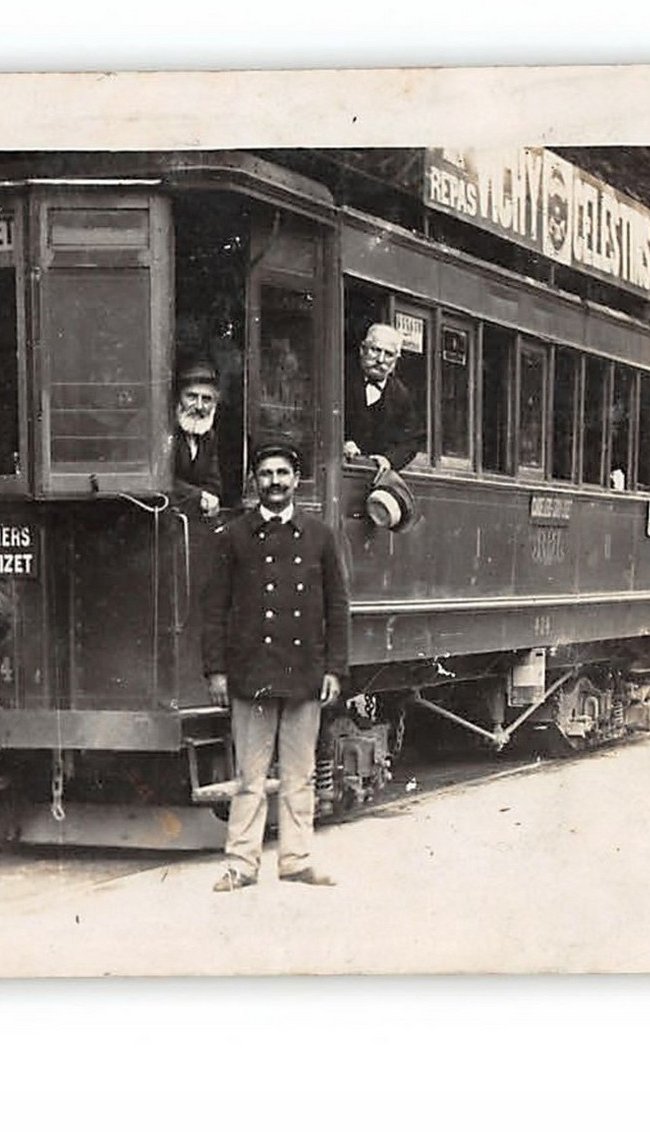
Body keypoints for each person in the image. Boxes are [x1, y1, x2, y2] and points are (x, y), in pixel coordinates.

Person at [202, 439, 348, 890]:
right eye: (266, 474)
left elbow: (337, 608)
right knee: (250, 778)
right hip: (252, 675)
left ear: (296, 480)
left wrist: (334, 669)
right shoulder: (233, 536)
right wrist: (217, 671)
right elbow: (213, 609)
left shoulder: (320, 536)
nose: (275, 482)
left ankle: (297, 860)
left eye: (282, 473)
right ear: (255, 481)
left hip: (304, 672)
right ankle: (242, 865)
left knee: (299, 777)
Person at [344, 322, 424, 472]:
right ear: (362, 349)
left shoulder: (401, 395)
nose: (381, 359)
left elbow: (411, 440)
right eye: (375, 350)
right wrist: (342, 442)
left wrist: (389, 459)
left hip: (375, 477)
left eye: (389, 354)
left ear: (396, 360)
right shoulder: (341, 379)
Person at [170, 360, 223, 516]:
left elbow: (214, 485)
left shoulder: (207, 435)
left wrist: (208, 498)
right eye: (192, 396)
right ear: (177, 398)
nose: (199, 406)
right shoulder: (160, 431)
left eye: (206, 399)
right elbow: (160, 482)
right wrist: (198, 496)